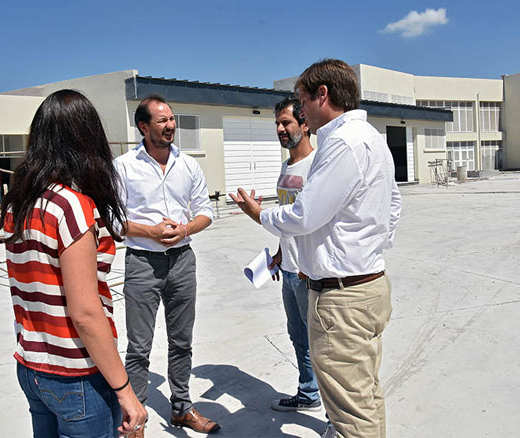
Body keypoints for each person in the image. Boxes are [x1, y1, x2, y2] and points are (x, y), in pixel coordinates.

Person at [229, 59, 402, 438]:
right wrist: (365, 248)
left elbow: (305, 216)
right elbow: (393, 207)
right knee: (364, 396)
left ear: (323, 95)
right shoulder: (372, 138)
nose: (301, 111)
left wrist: (260, 215)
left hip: (342, 297)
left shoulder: (341, 143)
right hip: (366, 283)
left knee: (351, 412)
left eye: (302, 101)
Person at [0, 89, 146, 437]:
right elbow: (85, 312)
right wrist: (125, 391)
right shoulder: (71, 207)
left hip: (33, 365)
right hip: (76, 373)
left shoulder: (19, 202)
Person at [114, 94, 219, 437]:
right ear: (143, 127)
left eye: (171, 119)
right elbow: (113, 222)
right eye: (162, 121)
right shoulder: (123, 167)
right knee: (139, 347)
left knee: (182, 341)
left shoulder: (188, 165)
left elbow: (206, 211)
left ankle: (181, 408)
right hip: (142, 262)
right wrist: (152, 233)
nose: (171, 125)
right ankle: (135, 419)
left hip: (182, 261)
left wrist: (185, 229)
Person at [267, 97, 322, 412]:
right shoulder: (286, 166)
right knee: (298, 337)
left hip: (310, 272)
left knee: (321, 344)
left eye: (286, 122)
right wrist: (278, 253)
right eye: (277, 123)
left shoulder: (318, 165)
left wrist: (308, 266)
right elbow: (288, 216)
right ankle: (308, 392)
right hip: (288, 268)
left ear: (305, 124)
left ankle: (335, 415)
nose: (280, 129)